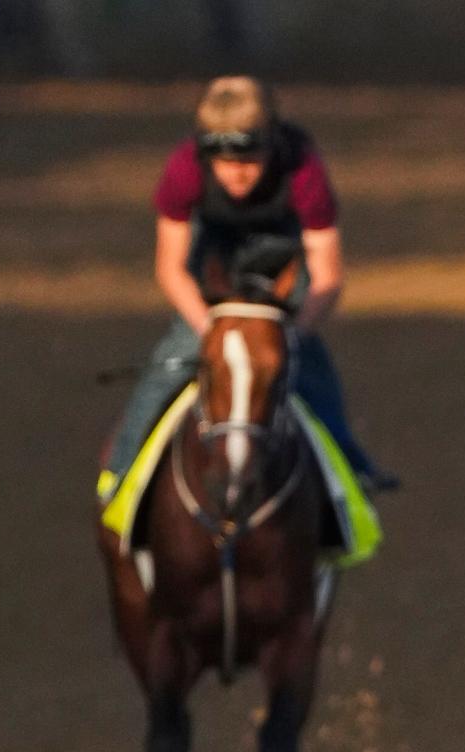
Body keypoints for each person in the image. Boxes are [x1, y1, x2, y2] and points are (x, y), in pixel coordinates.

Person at [99, 75, 392, 497]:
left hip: (284, 272)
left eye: (250, 159)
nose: (236, 173)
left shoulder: (303, 170)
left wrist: (289, 336)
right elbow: (170, 268)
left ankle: (352, 471)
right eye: (221, 160)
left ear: (272, 146)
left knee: (310, 371)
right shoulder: (183, 169)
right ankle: (120, 475)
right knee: (170, 365)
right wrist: (212, 332)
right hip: (213, 273)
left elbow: (327, 277)